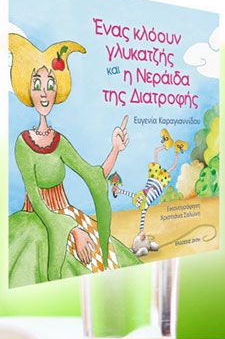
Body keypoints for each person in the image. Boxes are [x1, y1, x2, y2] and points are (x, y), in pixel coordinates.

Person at [7, 33, 141, 287]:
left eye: (50, 84)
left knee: (108, 259)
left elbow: (94, 174)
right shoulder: (23, 144)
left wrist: (115, 149)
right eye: (37, 84)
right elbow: (35, 198)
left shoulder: (59, 141)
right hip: (40, 218)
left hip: (67, 213)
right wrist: (71, 228)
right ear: (27, 88)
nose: (44, 92)